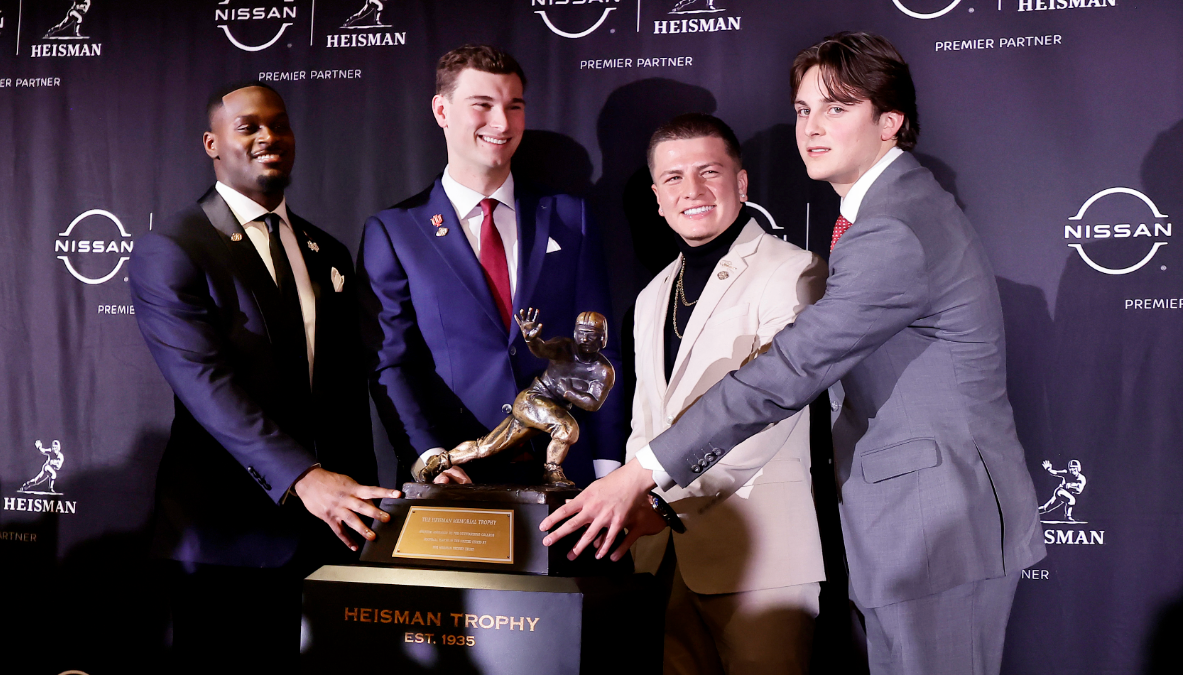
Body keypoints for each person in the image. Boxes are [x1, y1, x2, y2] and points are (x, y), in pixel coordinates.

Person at [541, 32, 1046, 675]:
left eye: (837, 107)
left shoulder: (896, 226)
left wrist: (643, 473)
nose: (811, 126)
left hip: (937, 527)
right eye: (805, 109)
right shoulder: (884, 212)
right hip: (908, 523)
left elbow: (788, 372)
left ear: (890, 122)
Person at [129, 82, 396, 670]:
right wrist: (304, 477)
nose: (268, 137)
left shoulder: (325, 250)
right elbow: (206, 386)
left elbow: (355, 384)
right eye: (248, 126)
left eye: (279, 125)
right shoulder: (173, 247)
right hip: (226, 542)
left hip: (335, 531)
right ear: (212, 143)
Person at [358, 44, 623, 487]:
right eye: (482, 105)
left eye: (514, 106)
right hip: (457, 478)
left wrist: (608, 468)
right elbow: (392, 363)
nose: (502, 123)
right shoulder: (395, 232)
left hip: (568, 478)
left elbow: (600, 349)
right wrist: (429, 458)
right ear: (441, 110)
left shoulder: (569, 217)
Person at [629, 113, 828, 674]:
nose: (691, 191)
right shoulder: (651, 295)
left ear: (741, 185)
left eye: (709, 172)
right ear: (658, 198)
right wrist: (634, 505)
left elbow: (768, 417)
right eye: (673, 179)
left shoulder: (795, 273)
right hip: (661, 560)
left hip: (763, 562)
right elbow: (644, 423)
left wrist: (657, 500)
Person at [419, 309, 615, 486]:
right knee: (567, 429)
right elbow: (542, 350)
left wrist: (567, 392)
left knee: (486, 447)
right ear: (575, 333)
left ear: (603, 338)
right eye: (582, 332)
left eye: (592, 334)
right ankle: (552, 471)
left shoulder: (603, 371)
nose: (586, 338)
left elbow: (593, 404)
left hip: (547, 412)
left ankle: (441, 461)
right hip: (531, 400)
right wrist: (532, 340)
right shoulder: (564, 347)